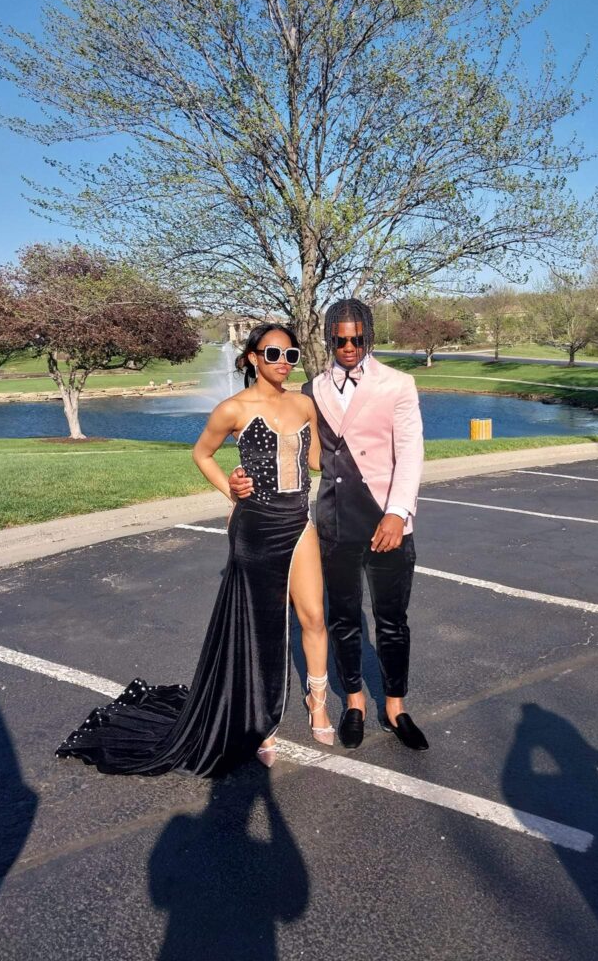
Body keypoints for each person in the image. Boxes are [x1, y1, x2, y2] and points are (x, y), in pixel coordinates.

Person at [56, 323, 333, 777]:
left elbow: (317, 460)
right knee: (261, 628)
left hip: (298, 523)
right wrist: (232, 487)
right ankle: (260, 722)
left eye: (291, 355)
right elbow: (201, 454)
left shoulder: (305, 405)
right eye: (273, 354)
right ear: (250, 358)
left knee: (313, 616)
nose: (283, 363)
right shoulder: (232, 409)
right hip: (256, 527)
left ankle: (317, 704)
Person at [231, 299, 428, 751]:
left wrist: (398, 513)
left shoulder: (398, 384)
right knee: (343, 619)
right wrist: (242, 477)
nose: (348, 346)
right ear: (327, 339)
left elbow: (412, 451)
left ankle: (396, 707)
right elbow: (290, 447)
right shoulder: (312, 389)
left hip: (386, 519)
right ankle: (355, 702)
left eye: (357, 338)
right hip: (336, 520)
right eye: (339, 338)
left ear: (370, 336)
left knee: (392, 620)